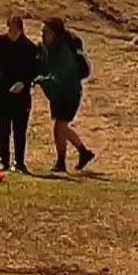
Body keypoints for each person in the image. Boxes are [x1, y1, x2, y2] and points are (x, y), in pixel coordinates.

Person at [0, 16, 41, 174]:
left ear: (21, 30)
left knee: (19, 128)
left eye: (15, 30)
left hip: (20, 94)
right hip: (1, 90)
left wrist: (23, 83)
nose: (12, 33)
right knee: (2, 127)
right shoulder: (0, 41)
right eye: (10, 30)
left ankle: (20, 162)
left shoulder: (29, 47)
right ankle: (4, 160)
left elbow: (34, 71)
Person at [39, 16, 96, 173]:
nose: (43, 34)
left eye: (46, 31)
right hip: (59, 94)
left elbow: (62, 77)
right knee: (62, 128)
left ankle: (61, 162)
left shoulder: (64, 51)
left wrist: (43, 79)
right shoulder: (48, 48)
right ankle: (84, 152)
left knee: (59, 128)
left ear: (55, 33)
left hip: (69, 94)